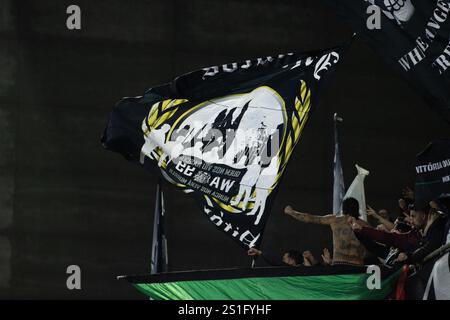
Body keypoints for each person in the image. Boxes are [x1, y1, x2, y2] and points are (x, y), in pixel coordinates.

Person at [284, 197, 369, 266]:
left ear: (344, 209)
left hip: (340, 264)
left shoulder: (334, 220)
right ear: (357, 209)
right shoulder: (365, 225)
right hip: (358, 266)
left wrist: (292, 212)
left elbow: (310, 218)